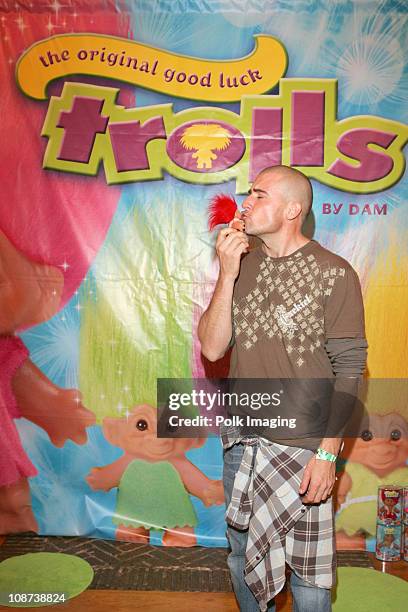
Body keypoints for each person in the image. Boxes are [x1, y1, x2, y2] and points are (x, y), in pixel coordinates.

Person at [198, 166, 368, 611]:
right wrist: (227, 272)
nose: (246, 203)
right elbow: (213, 347)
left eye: (259, 195)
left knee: (309, 571)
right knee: (242, 556)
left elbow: (351, 369)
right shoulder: (242, 265)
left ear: (293, 209)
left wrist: (328, 454)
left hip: (306, 445)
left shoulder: (335, 273)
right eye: (247, 194)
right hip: (243, 442)